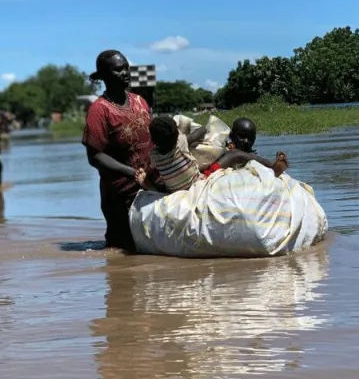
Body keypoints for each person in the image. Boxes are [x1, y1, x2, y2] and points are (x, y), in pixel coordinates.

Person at [82, 49, 163, 250]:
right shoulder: (99, 110)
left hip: (149, 188)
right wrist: (132, 173)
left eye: (127, 68)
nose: (126, 73)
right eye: (119, 70)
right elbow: (95, 157)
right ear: (104, 75)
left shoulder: (140, 100)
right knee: (120, 252)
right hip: (120, 197)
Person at [136, 116, 288, 193]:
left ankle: (149, 186)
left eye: (250, 137)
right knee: (235, 155)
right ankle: (272, 167)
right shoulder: (181, 144)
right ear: (232, 136)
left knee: (167, 183)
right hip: (198, 182)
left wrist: (146, 173)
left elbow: (152, 168)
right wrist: (206, 128)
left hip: (173, 190)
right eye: (241, 136)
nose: (246, 141)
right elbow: (201, 132)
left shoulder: (154, 155)